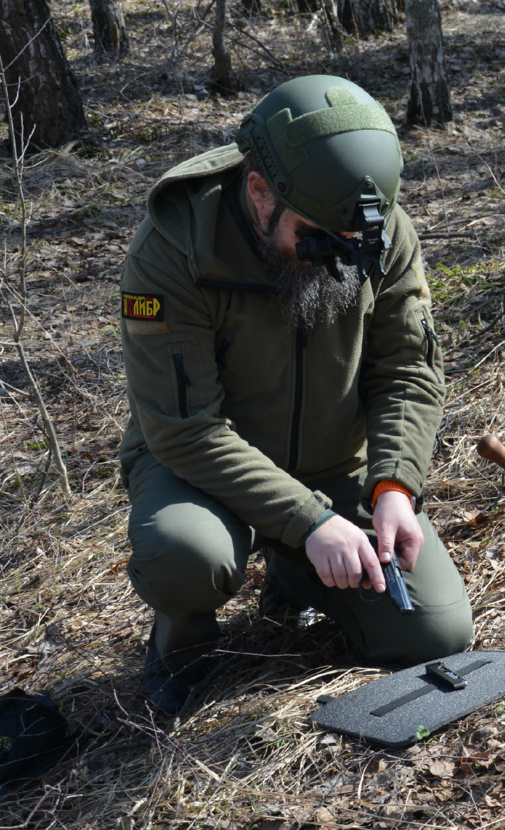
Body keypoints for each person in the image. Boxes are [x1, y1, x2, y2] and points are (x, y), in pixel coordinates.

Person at [118, 75, 473, 719]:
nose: (337, 258)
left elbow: (407, 370)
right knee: (183, 556)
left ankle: (294, 574)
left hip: (336, 463)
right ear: (260, 194)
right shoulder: (175, 246)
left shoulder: (369, 221)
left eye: (352, 244)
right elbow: (185, 429)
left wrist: (393, 485)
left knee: (435, 633)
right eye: (315, 238)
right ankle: (181, 649)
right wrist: (307, 521)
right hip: (200, 470)